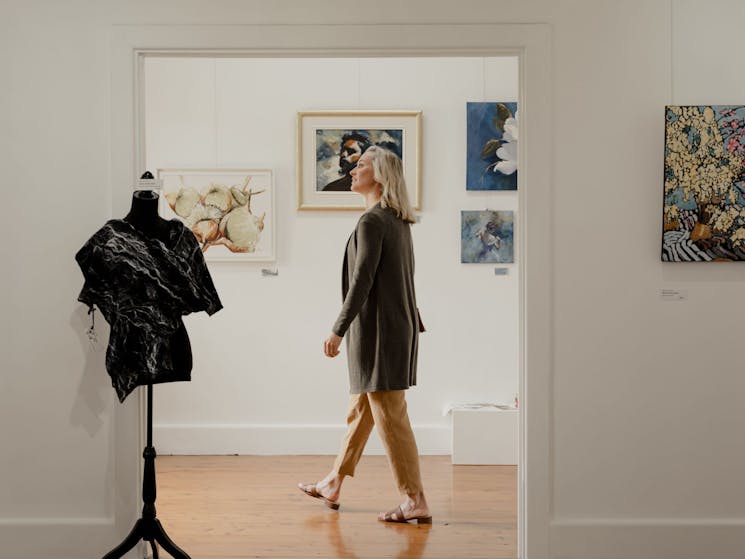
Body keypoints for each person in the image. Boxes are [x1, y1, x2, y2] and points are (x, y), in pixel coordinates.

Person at [298, 146, 431, 524]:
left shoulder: (374, 222)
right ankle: (334, 482)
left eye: (361, 165)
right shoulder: (397, 221)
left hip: (379, 331)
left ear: (380, 175)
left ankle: (414, 499)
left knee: (390, 415)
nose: (352, 171)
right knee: (362, 410)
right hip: (393, 327)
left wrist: (338, 329)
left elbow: (362, 283)